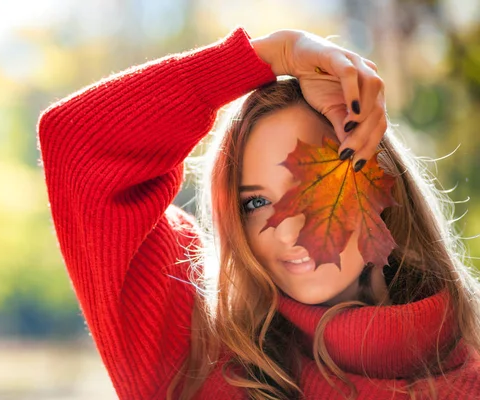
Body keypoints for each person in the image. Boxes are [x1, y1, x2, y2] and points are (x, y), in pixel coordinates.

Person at [37, 26, 480, 400]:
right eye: (255, 203)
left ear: (378, 181)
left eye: (309, 185)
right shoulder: (199, 350)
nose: (286, 230)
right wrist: (274, 55)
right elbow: (73, 143)